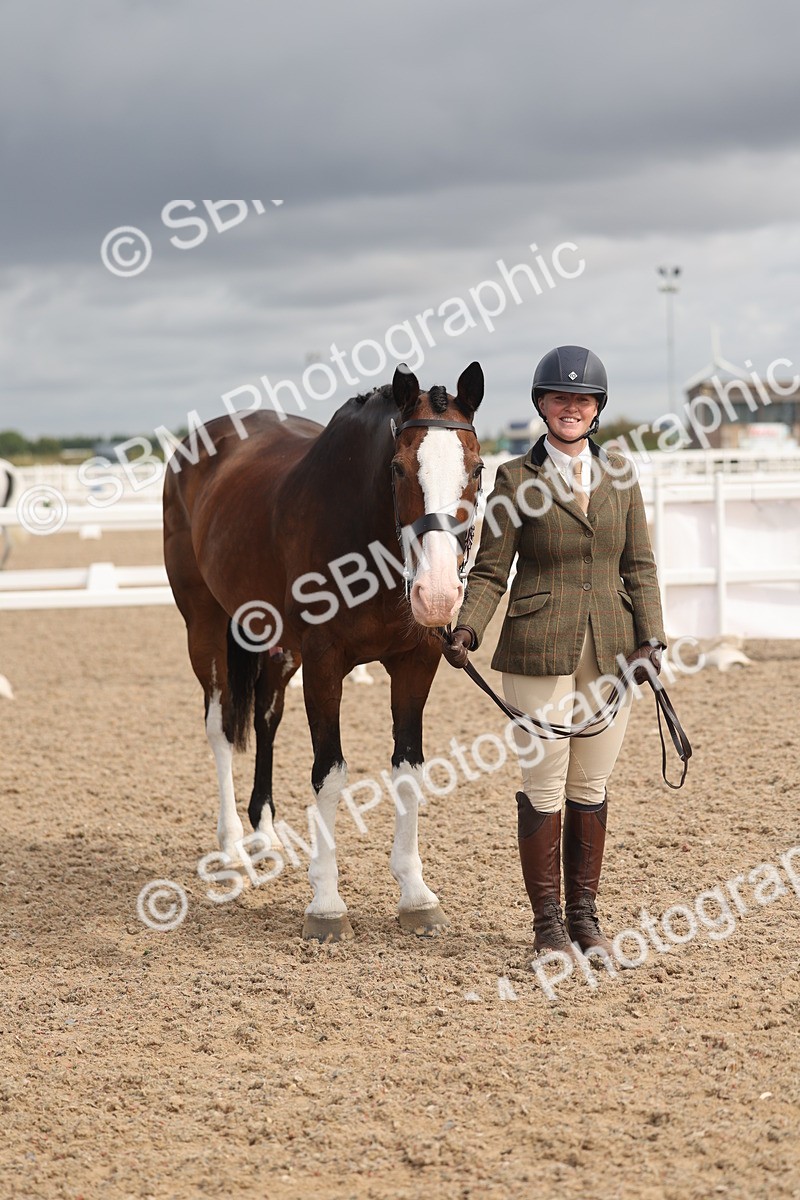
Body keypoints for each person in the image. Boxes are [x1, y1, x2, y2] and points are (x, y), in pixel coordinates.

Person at [444, 345, 666, 959]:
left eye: (583, 400)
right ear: (543, 405)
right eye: (560, 398)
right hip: (538, 647)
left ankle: (585, 919)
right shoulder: (515, 479)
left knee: (590, 785)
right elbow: (490, 571)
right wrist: (468, 629)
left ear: (597, 410)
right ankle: (547, 927)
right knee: (544, 784)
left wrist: (651, 638)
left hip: (612, 649)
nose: (571, 408)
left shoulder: (621, 474)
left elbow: (639, 564)